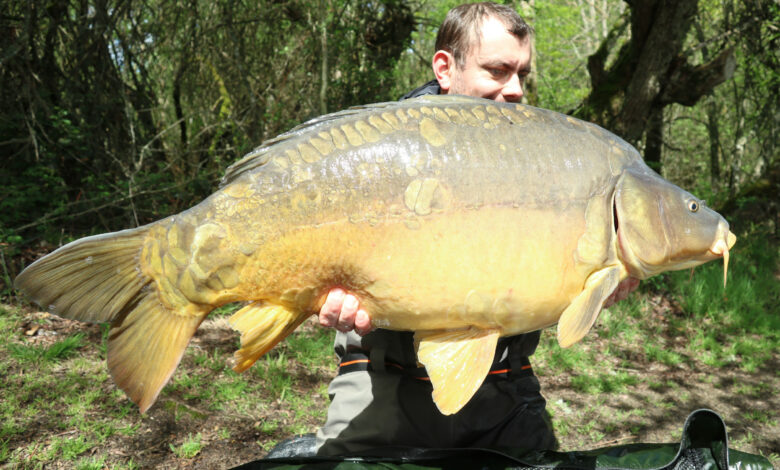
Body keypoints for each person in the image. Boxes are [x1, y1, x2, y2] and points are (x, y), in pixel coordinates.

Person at [314, 2, 639, 456]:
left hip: (503, 388)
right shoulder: (380, 153)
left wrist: (599, 283)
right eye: (498, 71)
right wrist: (318, 293)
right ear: (445, 69)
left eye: (522, 74)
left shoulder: (543, 159)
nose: (515, 90)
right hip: (379, 381)